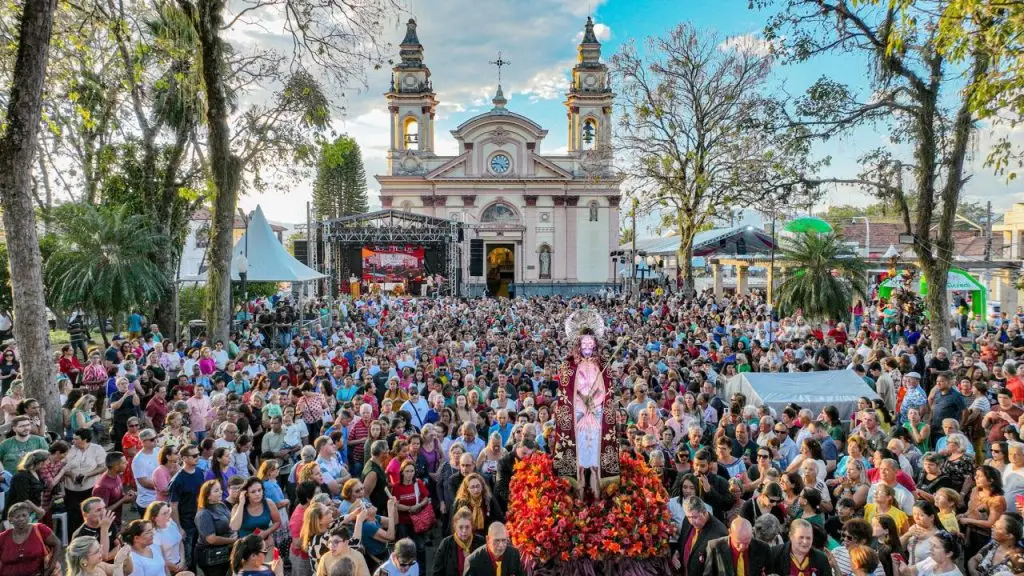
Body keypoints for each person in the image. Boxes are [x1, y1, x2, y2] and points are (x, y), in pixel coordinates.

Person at [168, 445, 205, 572]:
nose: (197, 457)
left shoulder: (200, 472)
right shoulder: (177, 480)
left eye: (198, 454)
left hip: (199, 520)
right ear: (184, 458)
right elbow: (173, 506)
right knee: (187, 559)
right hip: (186, 524)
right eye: (194, 456)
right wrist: (179, 527)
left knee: (198, 554)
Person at [0, 502, 61, 576]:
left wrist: (50, 568)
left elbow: (57, 543)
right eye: (17, 517)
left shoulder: (40, 529)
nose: (21, 519)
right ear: (10, 520)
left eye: (24, 515)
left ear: (29, 517)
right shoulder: (3, 537)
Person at [65, 429, 107, 537]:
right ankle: (74, 538)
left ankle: (92, 536)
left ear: (85, 439)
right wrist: (71, 475)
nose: (73, 441)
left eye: (76, 439)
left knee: (91, 513)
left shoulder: (97, 449)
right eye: (73, 438)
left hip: (90, 487)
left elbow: (103, 466)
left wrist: (88, 474)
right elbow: (62, 467)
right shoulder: (69, 449)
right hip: (71, 488)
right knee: (73, 515)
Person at [675, 496, 728, 576]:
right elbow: (681, 542)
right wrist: (676, 553)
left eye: (695, 517)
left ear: (704, 512)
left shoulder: (719, 532)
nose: (692, 521)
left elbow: (720, 568)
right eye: (689, 517)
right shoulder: (687, 521)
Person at [703, 517, 771, 576]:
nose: (742, 547)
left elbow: (770, 572)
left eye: (746, 543)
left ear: (752, 534)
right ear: (730, 532)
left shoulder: (763, 548)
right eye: (738, 543)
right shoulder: (714, 547)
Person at [195, 480, 237, 576]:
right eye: (216, 490)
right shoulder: (204, 514)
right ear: (208, 496)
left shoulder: (221, 505)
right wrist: (233, 540)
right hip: (211, 556)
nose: (221, 492)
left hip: (225, 552)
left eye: (220, 489)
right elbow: (211, 539)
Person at [768, 519, 833, 576]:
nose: (805, 542)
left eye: (808, 538)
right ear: (791, 536)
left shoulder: (821, 559)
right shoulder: (775, 554)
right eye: (801, 537)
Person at [431, 507, 484, 576]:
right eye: (461, 527)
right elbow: (437, 573)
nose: (464, 531)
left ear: (472, 527)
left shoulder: (480, 542)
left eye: (467, 527)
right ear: (455, 527)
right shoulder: (446, 544)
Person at [144, 502, 187, 575]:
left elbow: (180, 542)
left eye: (168, 511)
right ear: (154, 518)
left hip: (179, 565)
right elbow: (161, 559)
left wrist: (182, 560)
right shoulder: (154, 535)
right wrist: (177, 568)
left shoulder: (171, 523)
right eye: (164, 513)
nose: (169, 514)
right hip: (167, 570)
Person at [893, 531, 962, 576]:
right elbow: (910, 571)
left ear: (949, 553)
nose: (931, 549)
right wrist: (896, 565)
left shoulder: (954, 574)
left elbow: (909, 574)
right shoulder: (931, 560)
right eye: (931, 545)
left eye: (935, 546)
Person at [5, 450, 48, 520]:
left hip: (30, 514)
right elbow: (23, 498)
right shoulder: (22, 476)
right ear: (41, 463)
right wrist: (38, 510)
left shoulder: (37, 473)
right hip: (16, 516)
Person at [65, 535, 131, 576]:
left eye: (100, 547)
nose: (102, 552)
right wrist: (118, 563)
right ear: (84, 561)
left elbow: (126, 571)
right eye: (97, 551)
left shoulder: (99, 566)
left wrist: (127, 556)